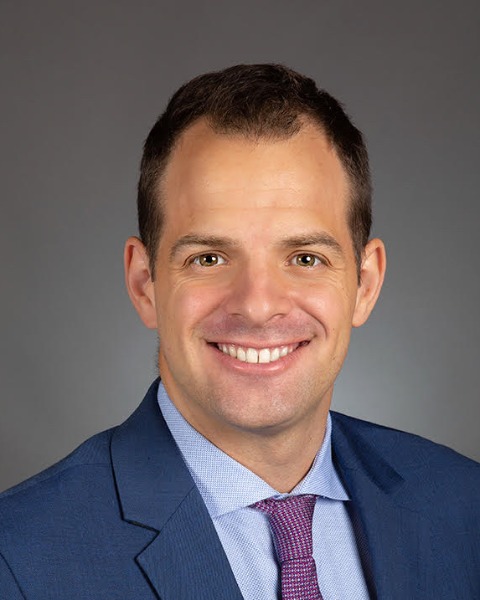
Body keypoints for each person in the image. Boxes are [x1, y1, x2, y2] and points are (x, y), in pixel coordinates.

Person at [0, 64, 478, 600]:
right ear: (144, 283)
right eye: (209, 258)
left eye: (305, 257)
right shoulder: (18, 560)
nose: (257, 305)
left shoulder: (464, 506)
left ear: (365, 284)